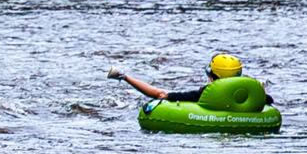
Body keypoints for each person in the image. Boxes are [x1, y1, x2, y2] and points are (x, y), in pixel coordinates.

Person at [107, 53, 274, 104]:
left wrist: (126, 77)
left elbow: (160, 95)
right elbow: (269, 101)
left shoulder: (203, 94)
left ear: (211, 73)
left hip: (205, 116)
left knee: (162, 95)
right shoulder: (258, 97)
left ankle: (122, 75)